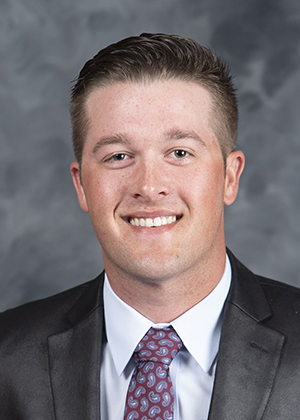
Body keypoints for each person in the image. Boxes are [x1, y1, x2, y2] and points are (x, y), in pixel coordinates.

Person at [1, 33, 300, 420]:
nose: (147, 186)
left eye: (179, 153)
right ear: (81, 185)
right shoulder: (7, 360)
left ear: (230, 176)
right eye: (119, 156)